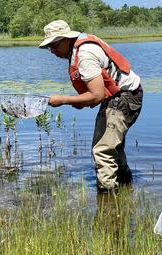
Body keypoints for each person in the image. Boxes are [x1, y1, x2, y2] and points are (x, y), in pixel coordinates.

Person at [40, 20, 143, 191]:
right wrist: (81, 101)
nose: (52, 51)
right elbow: (98, 94)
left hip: (124, 98)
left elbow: (97, 95)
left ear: (66, 39)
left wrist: (63, 100)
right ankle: (126, 189)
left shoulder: (85, 55)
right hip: (122, 97)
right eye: (50, 47)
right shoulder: (80, 46)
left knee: (103, 151)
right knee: (112, 148)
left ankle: (108, 201)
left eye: (54, 46)